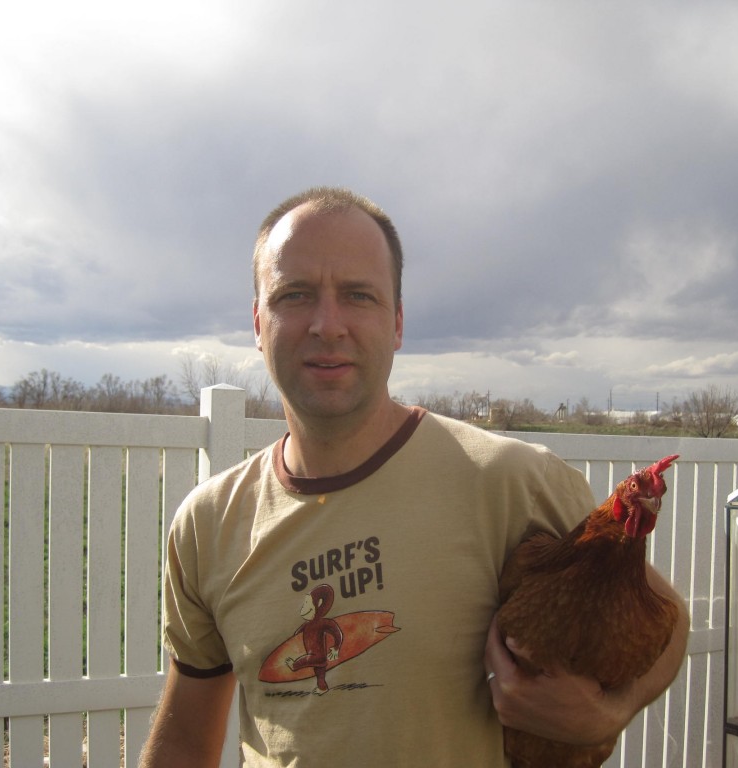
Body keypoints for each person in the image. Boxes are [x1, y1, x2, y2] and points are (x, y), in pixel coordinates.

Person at [139, 187, 689, 767]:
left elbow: (668, 621)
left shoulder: (512, 482)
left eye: (358, 296)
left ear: (397, 322)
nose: (328, 324)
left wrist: (609, 712)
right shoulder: (207, 523)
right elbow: (184, 741)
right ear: (258, 322)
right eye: (294, 295)